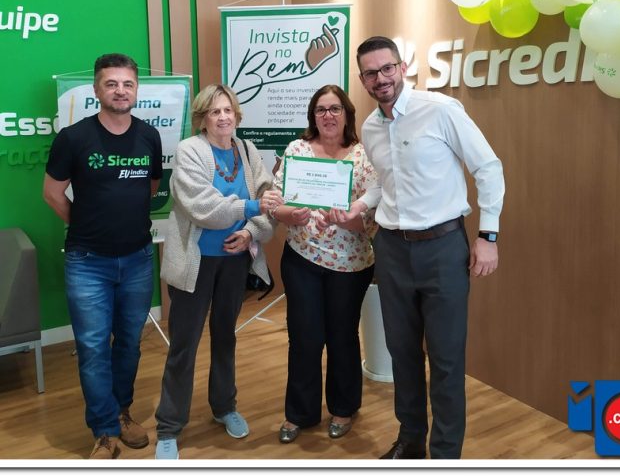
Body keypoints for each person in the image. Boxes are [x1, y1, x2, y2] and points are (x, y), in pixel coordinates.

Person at [342, 36, 505, 459]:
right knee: (402, 352)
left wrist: (488, 236)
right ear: (362, 79)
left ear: (401, 68)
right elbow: (386, 181)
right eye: (371, 73)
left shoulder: (441, 110)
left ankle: (445, 455)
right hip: (392, 250)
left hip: (443, 248)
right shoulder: (370, 128)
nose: (381, 78)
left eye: (387, 68)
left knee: (446, 359)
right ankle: (411, 440)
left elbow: (488, 168)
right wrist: (361, 204)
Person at [43, 53, 163, 459]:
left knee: (129, 343)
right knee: (94, 348)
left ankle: (122, 412)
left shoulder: (149, 136)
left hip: (138, 259)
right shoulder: (73, 138)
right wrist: (87, 224)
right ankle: (105, 430)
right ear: (97, 90)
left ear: (136, 89)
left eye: (127, 84)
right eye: (111, 84)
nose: (120, 91)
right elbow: (52, 193)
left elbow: (150, 186)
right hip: (87, 262)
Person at [154, 84, 283, 460]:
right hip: (195, 264)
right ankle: (169, 426)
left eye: (228, 110)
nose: (223, 117)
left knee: (226, 337)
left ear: (236, 114)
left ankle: (225, 406)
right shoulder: (189, 150)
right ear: (202, 119)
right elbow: (204, 207)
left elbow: (268, 198)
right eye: (214, 111)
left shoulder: (247, 150)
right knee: (184, 344)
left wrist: (250, 232)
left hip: (234, 262)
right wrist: (253, 207)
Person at [271, 84, 379, 444]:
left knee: (342, 336)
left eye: (335, 109)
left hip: (350, 264)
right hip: (301, 258)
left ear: (347, 114)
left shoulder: (364, 156)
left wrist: (349, 221)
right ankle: (299, 413)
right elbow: (277, 203)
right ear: (312, 116)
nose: (328, 116)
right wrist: (291, 214)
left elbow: (372, 219)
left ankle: (343, 408)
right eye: (321, 110)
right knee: (304, 337)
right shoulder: (297, 150)